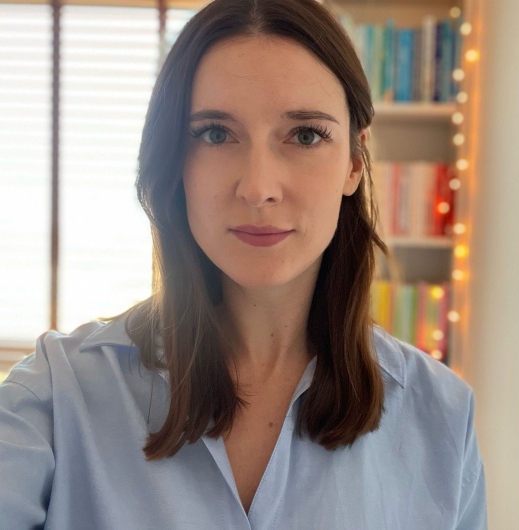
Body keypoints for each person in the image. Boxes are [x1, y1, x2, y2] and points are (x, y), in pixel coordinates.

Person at [0, 0, 487, 528]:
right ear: (175, 161)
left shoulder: (442, 418)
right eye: (215, 133)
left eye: (305, 134)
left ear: (353, 161)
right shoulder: (52, 399)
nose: (257, 188)